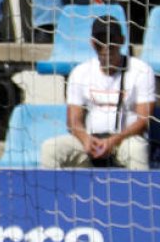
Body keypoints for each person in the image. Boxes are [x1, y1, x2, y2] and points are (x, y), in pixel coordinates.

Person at [41, 15, 153, 170]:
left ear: (121, 40)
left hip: (125, 140)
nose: (106, 47)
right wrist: (85, 139)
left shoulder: (141, 70)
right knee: (50, 148)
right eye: (100, 42)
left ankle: (139, 194)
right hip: (91, 140)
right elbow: (73, 121)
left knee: (137, 149)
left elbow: (143, 121)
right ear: (92, 43)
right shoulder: (80, 72)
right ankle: (51, 195)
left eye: (111, 41)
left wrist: (113, 141)